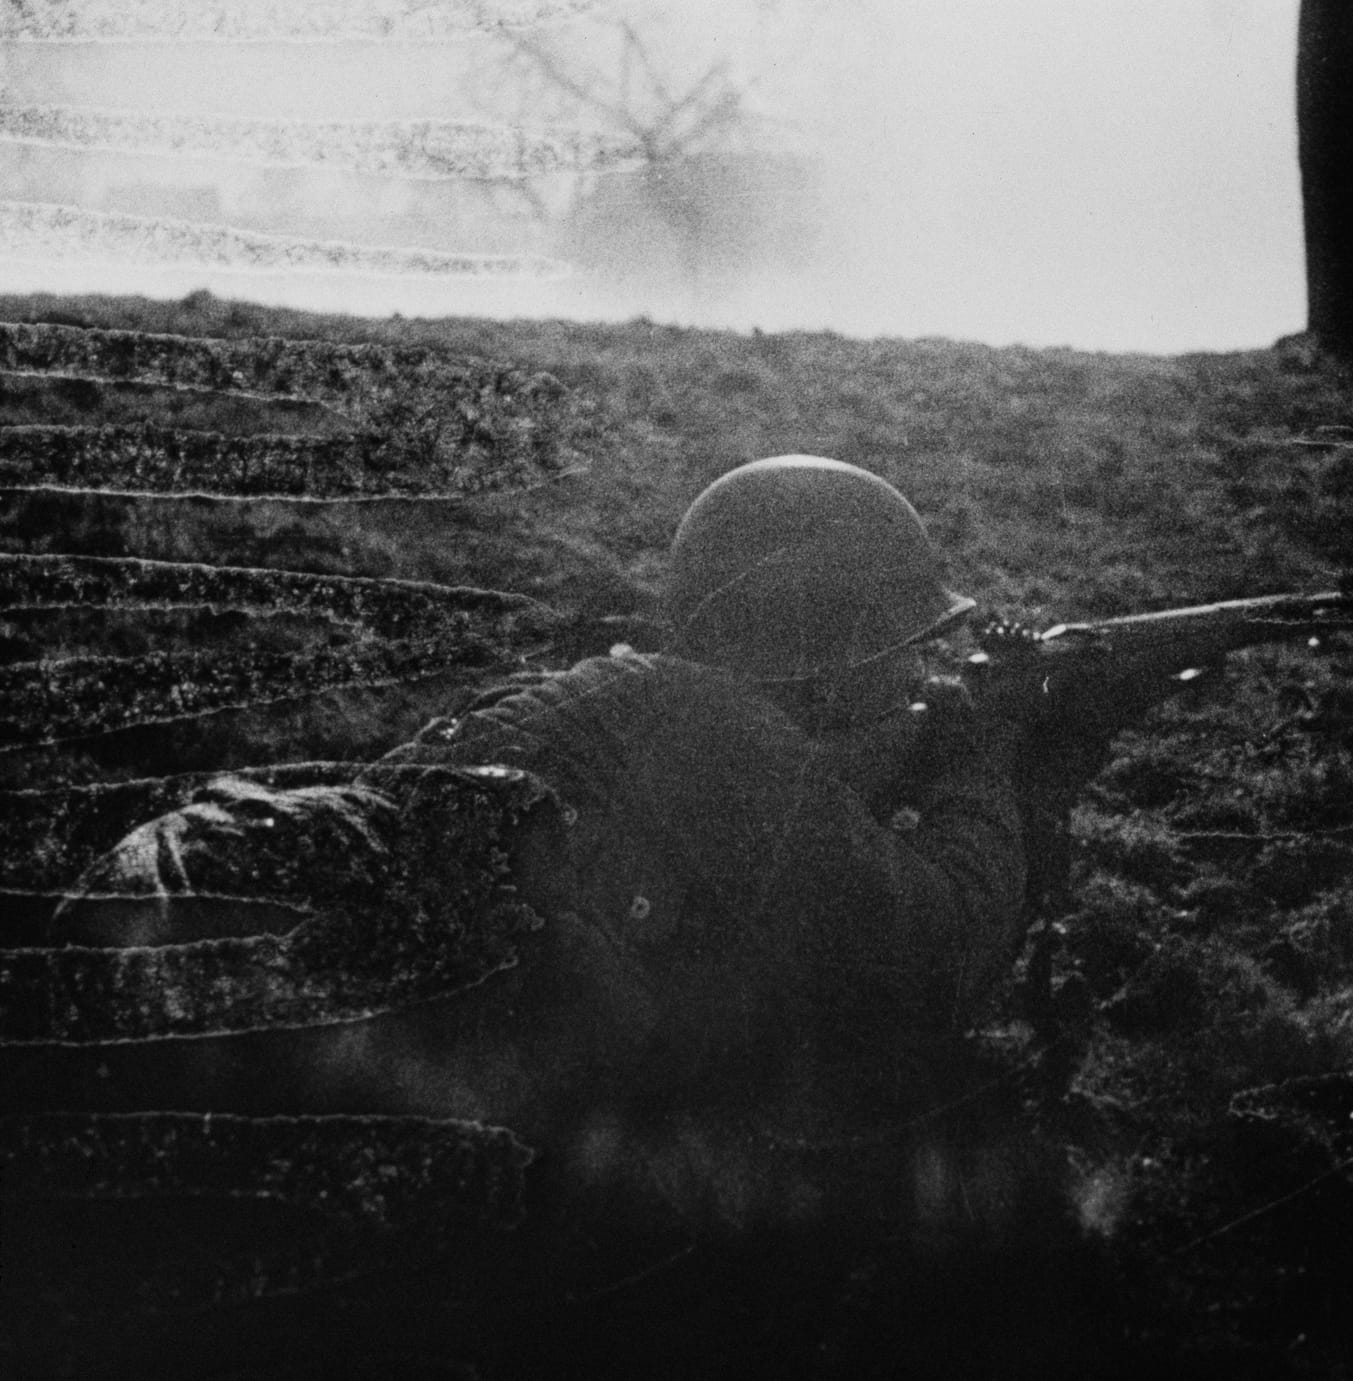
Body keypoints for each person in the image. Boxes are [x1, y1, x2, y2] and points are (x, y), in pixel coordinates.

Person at [42, 455, 1087, 1248]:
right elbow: (932, 956)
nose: (912, 692)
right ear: (825, 665)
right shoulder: (718, 732)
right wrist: (988, 763)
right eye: (900, 664)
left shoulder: (567, 703)